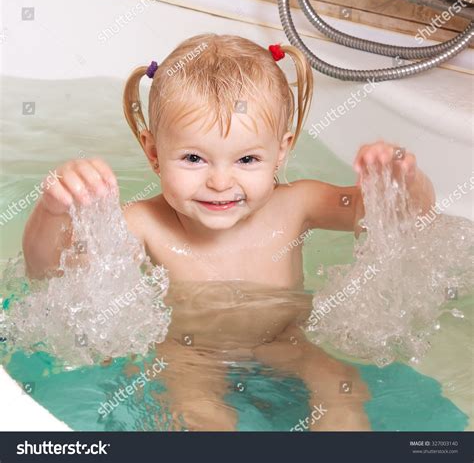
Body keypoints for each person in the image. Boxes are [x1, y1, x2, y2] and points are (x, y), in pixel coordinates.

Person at [22, 33, 436, 431]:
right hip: (188, 354)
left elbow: (402, 219)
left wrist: (398, 182)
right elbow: (51, 272)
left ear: (282, 150)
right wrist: (53, 210)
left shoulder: (297, 204)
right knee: (201, 417)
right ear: (153, 152)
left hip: (283, 342)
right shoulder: (144, 224)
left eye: (247, 159)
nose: (221, 182)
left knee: (343, 388)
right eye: (193, 158)